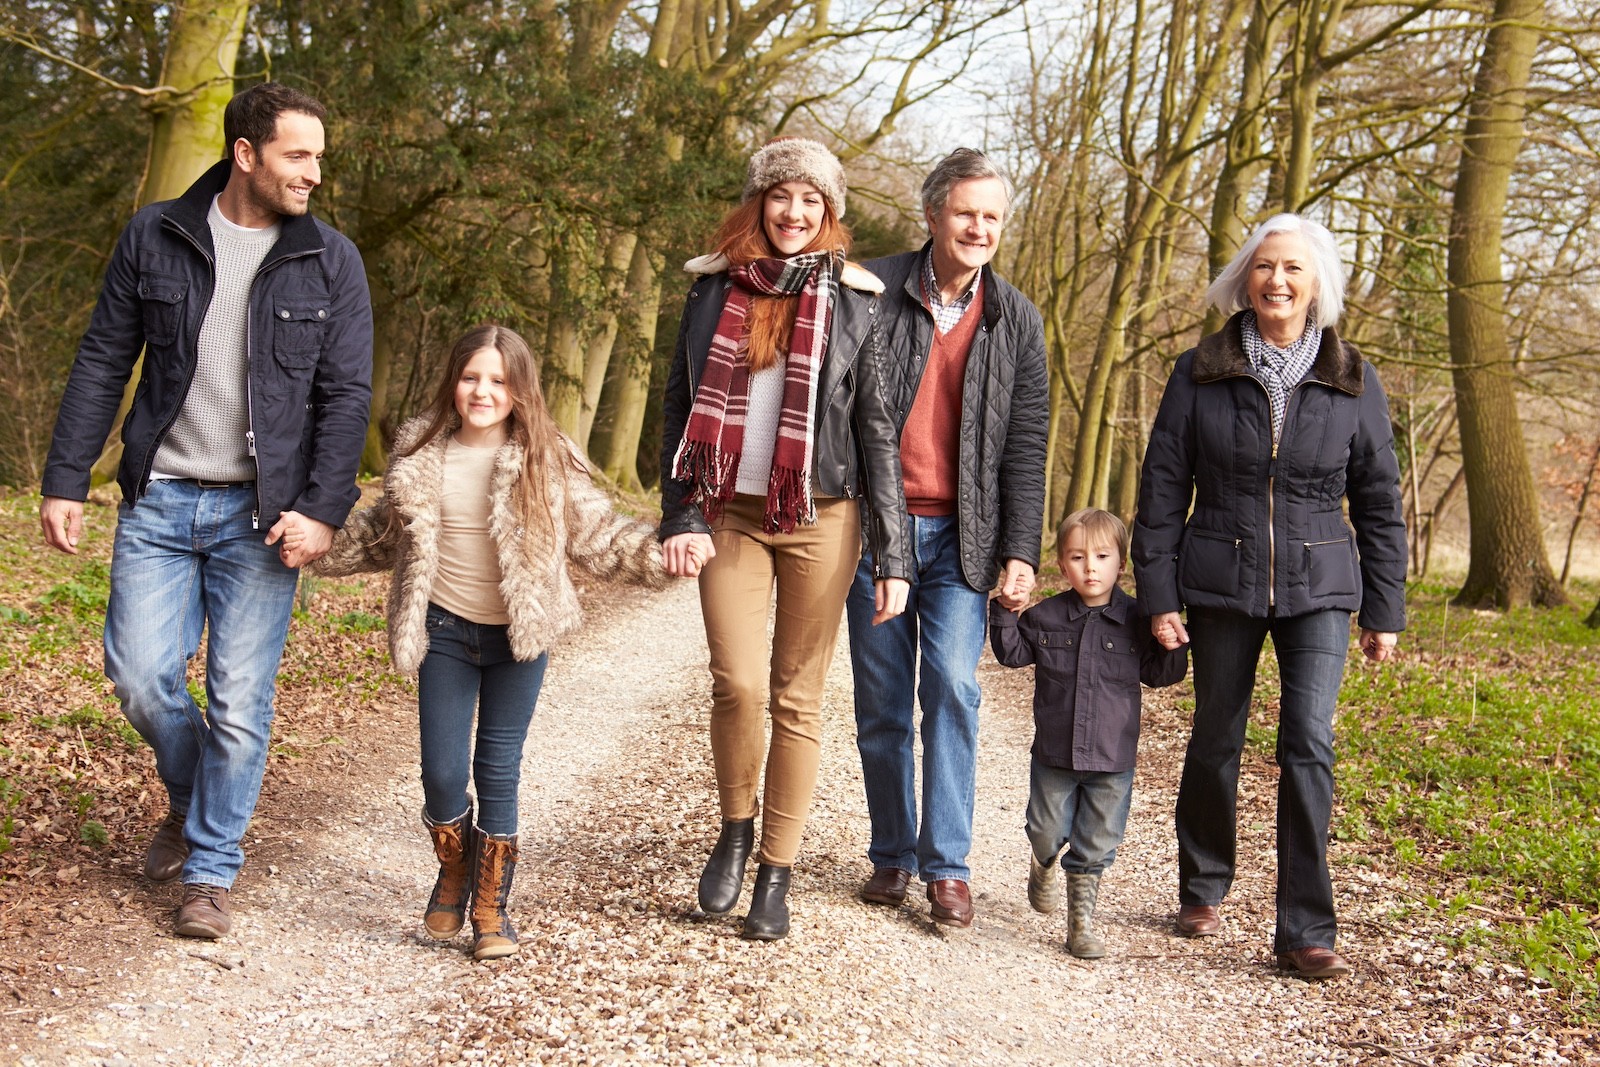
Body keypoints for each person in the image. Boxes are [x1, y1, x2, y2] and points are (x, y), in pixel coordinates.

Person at [39, 83, 373, 940]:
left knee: (239, 703)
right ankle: (195, 802)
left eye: (320, 156)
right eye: (299, 155)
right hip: (159, 497)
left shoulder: (331, 260)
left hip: (263, 516)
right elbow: (103, 357)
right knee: (140, 677)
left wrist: (323, 509)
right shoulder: (156, 234)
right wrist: (66, 477)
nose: (315, 172)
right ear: (245, 153)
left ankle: (211, 870)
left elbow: (346, 397)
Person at [315, 324, 669, 960]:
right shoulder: (419, 454)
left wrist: (666, 555)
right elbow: (381, 535)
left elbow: (599, 537)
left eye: (499, 381)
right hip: (445, 631)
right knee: (442, 773)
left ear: (520, 390)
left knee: (498, 769)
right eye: (471, 377)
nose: (483, 391)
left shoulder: (546, 457)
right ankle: (454, 868)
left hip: (518, 639)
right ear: (453, 382)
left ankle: (489, 906)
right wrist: (315, 542)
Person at [1132, 212, 1406, 979]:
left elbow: (1379, 499)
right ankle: (1202, 883)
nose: (1276, 280)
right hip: (1220, 576)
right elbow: (1162, 487)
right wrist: (1159, 593)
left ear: (1316, 284)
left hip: (1321, 585)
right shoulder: (1199, 369)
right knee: (1216, 736)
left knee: (1308, 741)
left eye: (1291, 268)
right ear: (1244, 279)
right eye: (1263, 266)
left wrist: (1385, 608)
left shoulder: (1354, 377)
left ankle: (1305, 927)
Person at [659, 137, 911, 941]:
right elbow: (678, 405)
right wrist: (680, 514)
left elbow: (877, 431)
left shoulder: (859, 301)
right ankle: (736, 828)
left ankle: (777, 867)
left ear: (828, 211)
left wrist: (894, 555)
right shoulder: (712, 288)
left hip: (821, 514)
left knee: (798, 697)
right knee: (737, 681)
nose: (794, 212)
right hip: (729, 511)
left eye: (810, 199)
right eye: (780, 195)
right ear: (758, 203)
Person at [848, 148, 1049, 929]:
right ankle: (892, 852)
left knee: (954, 688)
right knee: (882, 700)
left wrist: (1021, 549)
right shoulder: (873, 290)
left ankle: (948, 866)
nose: (979, 228)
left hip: (965, 539)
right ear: (932, 214)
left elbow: (1026, 442)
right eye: (966, 212)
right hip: (879, 530)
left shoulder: (1017, 318)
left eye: (992, 216)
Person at [989, 508, 1188, 958]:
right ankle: (1043, 863)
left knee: (1097, 842)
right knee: (1045, 830)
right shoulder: (1046, 617)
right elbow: (1012, 654)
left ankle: (1080, 925)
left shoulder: (1139, 620)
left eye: (1102, 556)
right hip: (1055, 754)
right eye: (1078, 557)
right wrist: (1005, 611)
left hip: (1112, 757)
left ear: (1122, 563)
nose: (1091, 568)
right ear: (1063, 565)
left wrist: (1171, 644)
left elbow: (1161, 675)